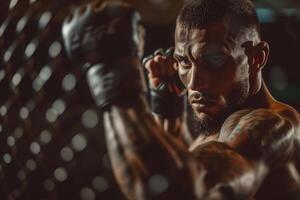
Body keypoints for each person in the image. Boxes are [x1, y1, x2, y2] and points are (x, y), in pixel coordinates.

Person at [62, 0, 300, 199]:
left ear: (256, 57)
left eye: (214, 60)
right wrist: (168, 112)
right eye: (184, 62)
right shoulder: (220, 128)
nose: (194, 83)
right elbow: (193, 163)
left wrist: (116, 80)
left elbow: (174, 189)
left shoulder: (274, 127)